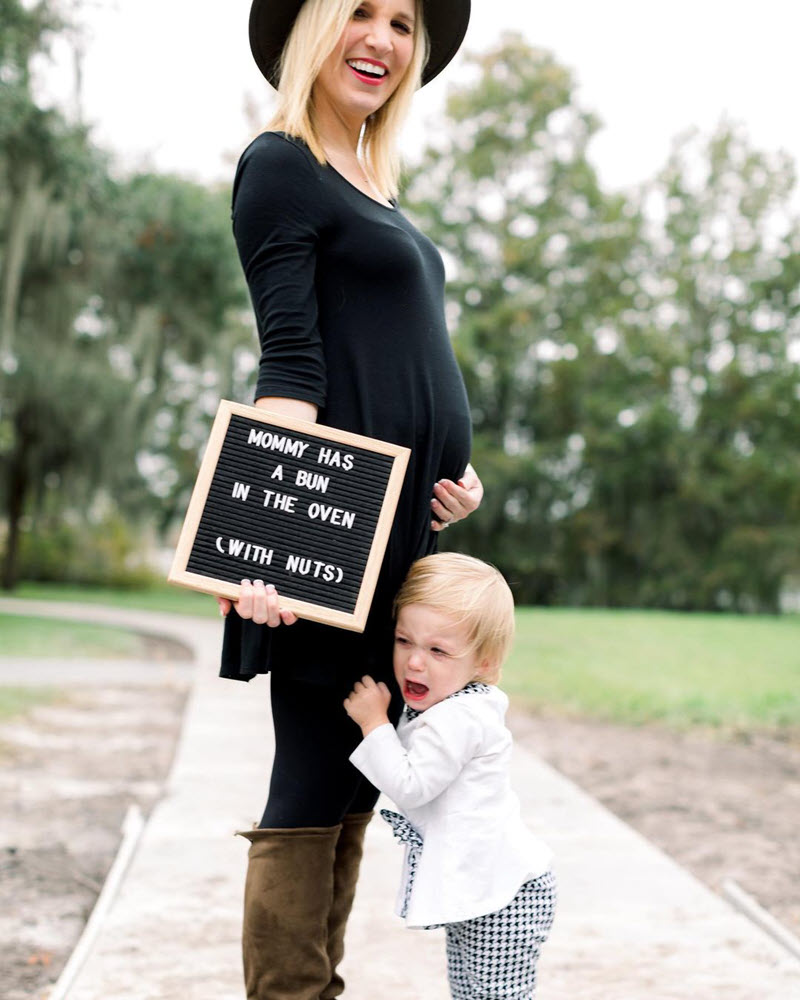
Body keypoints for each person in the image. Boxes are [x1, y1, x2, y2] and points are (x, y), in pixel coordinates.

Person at [216, 1, 482, 997]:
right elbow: (290, 362)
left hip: (405, 525)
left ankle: (315, 986)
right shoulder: (281, 163)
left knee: (351, 767)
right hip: (332, 528)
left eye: (402, 22)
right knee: (310, 773)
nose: (380, 38)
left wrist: (449, 478)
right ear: (310, 32)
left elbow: (401, 355)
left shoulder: (374, 186)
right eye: (356, 13)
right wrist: (263, 544)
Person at [343, 553, 556, 1000]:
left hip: (504, 897)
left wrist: (373, 722)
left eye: (438, 650)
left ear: (484, 660)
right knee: (471, 992)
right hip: (489, 889)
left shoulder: (460, 718)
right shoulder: (453, 703)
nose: (415, 663)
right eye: (404, 641)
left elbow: (411, 784)